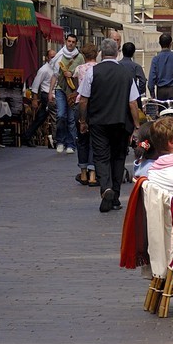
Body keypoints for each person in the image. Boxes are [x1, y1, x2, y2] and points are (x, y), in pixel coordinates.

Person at [77, 37, 141, 211]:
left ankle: (106, 188)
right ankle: (116, 197)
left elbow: (83, 100)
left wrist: (83, 121)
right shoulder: (127, 73)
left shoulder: (92, 72)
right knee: (118, 157)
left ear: (101, 53)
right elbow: (133, 103)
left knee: (101, 156)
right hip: (121, 122)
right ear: (117, 52)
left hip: (98, 122)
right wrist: (136, 125)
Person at [73, 42, 98, 186]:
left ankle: (83, 174)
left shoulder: (79, 68)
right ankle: (93, 175)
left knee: (82, 140)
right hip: (94, 105)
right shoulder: (98, 69)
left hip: (80, 104)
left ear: (83, 55)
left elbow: (77, 86)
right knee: (94, 140)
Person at [52, 33, 81, 154]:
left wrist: (73, 73)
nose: (71, 44)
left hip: (73, 91)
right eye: (69, 41)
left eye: (73, 42)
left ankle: (70, 143)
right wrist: (50, 91)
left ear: (76, 43)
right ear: (65, 41)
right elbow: (55, 74)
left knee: (71, 118)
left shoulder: (79, 57)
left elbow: (83, 72)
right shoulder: (59, 55)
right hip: (60, 89)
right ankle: (60, 141)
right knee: (60, 115)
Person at [147, 32, 173, 106]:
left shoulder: (156, 59)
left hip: (161, 92)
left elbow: (151, 81)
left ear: (160, 43)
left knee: (162, 114)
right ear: (170, 44)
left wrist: (152, 95)